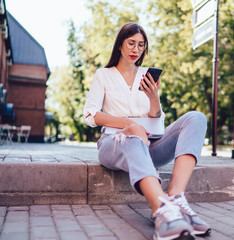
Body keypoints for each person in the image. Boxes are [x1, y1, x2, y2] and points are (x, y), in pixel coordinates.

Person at [83, 22, 211, 240]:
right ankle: (162, 211)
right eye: (131, 43)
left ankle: (176, 198)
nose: (135, 49)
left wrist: (154, 98)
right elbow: (89, 115)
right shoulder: (103, 75)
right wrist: (128, 125)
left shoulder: (146, 75)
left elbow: (155, 118)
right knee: (132, 137)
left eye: (141, 45)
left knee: (196, 118)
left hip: (150, 145)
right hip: (114, 143)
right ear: (120, 46)